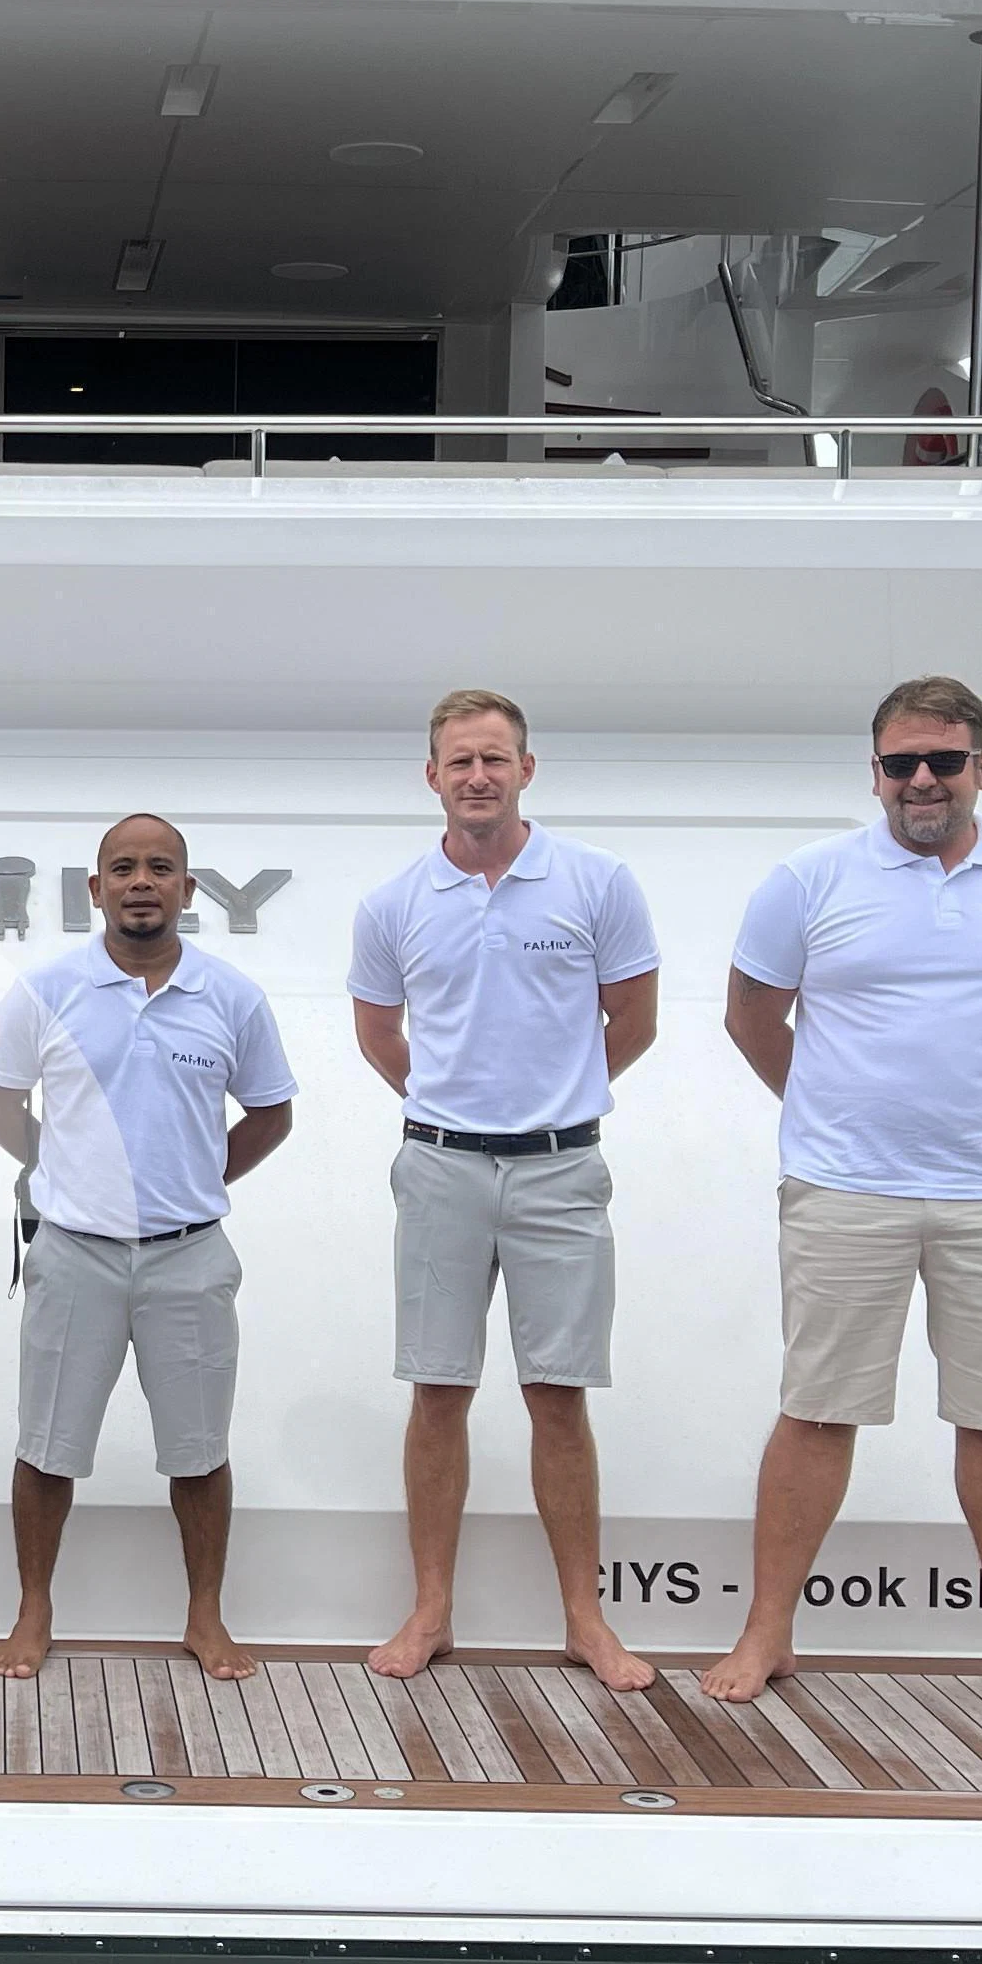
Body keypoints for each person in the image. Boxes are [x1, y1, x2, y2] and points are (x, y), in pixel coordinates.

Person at [702, 673, 982, 1717]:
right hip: (846, 1191)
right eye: (901, 763)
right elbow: (752, 1017)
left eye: (943, 760)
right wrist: (834, 1114)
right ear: (876, 772)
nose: (921, 780)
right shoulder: (807, 880)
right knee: (817, 1411)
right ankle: (769, 1633)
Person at [346, 689, 663, 1692]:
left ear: (528, 768)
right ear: (430, 776)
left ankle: (585, 1621)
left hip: (562, 1169)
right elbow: (378, 1033)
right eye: (459, 761)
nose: (477, 776)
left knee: (556, 1395)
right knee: (438, 1390)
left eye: (494, 758)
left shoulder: (597, 882)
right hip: (439, 1166)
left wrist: (545, 1100)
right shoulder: (392, 905)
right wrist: (455, 1105)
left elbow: (634, 1019)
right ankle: (432, 1610)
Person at [0, 813, 296, 1684]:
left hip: (190, 1258)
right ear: (96, 889)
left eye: (160, 868)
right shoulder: (45, 992)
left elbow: (272, 1113)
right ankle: (33, 1611)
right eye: (123, 868)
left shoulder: (233, 998)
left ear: (190, 889)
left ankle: (204, 1617)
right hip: (74, 1251)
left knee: (199, 1449)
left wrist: (194, 1178)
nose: (141, 881)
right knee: (46, 1445)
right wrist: (78, 1173)